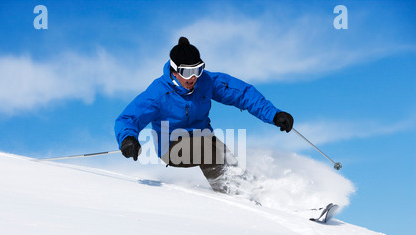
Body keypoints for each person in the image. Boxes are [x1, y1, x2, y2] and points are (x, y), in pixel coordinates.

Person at [114, 37, 293, 194]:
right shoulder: (159, 94)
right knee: (209, 151)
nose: (193, 78)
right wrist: (127, 138)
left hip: (205, 139)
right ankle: (236, 197)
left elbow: (243, 94)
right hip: (171, 146)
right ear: (174, 71)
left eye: (197, 70)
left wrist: (274, 115)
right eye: (186, 72)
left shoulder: (206, 82)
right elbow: (129, 118)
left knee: (225, 156)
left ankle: (254, 194)